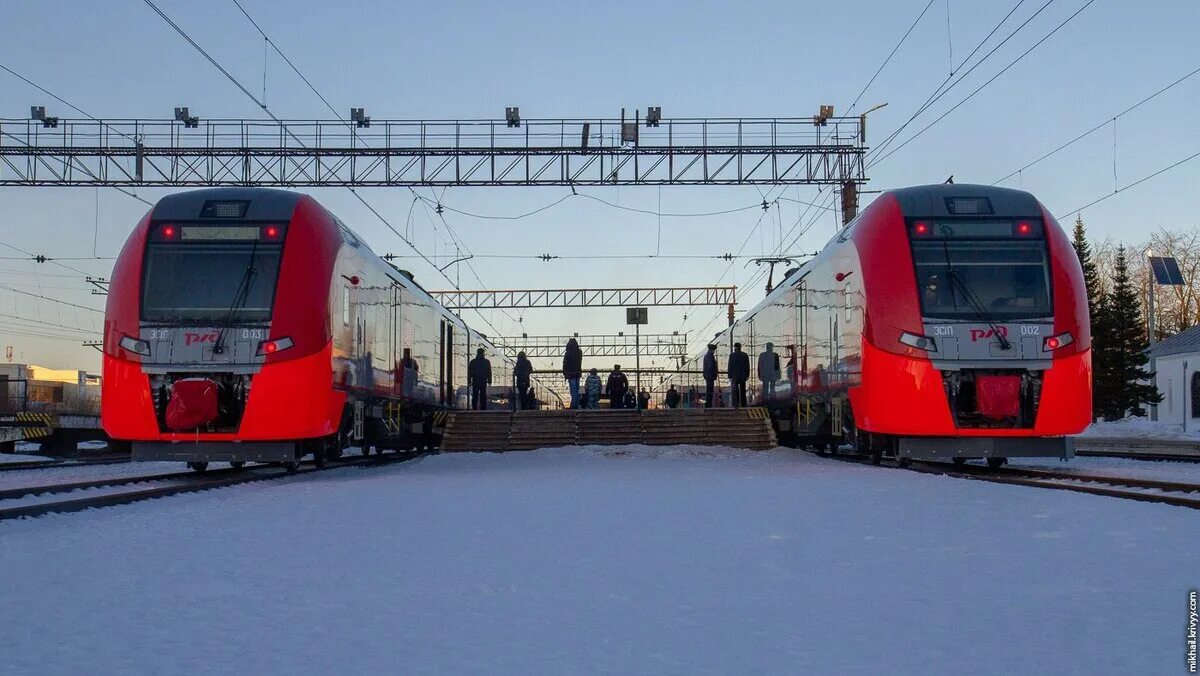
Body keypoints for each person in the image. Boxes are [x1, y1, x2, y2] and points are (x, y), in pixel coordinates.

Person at [727, 342, 750, 408]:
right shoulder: (745, 355)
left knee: (735, 390)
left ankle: (736, 404)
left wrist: (730, 376)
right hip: (743, 376)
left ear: (735, 347)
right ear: (740, 347)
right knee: (743, 390)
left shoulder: (732, 355)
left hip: (735, 376)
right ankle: (743, 404)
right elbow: (747, 366)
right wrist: (747, 375)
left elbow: (730, 366)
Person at [562, 338, 583, 409]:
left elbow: (565, 364)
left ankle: (574, 405)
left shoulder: (567, 353)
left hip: (570, 374)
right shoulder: (579, 352)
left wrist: (565, 373)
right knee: (576, 390)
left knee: (573, 391)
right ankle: (575, 404)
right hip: (577, 374)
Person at [702, 343, 719, 408]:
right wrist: (715, 368)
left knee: (709, 390)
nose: (714, 351)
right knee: (710, 390)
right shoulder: (710, 356)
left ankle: (708, 404)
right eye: (714, 350)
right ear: (712, 349)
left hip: (708, 375)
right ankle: (709, 404)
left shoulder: (707, 355)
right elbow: (710, 366)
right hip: (710, 375)